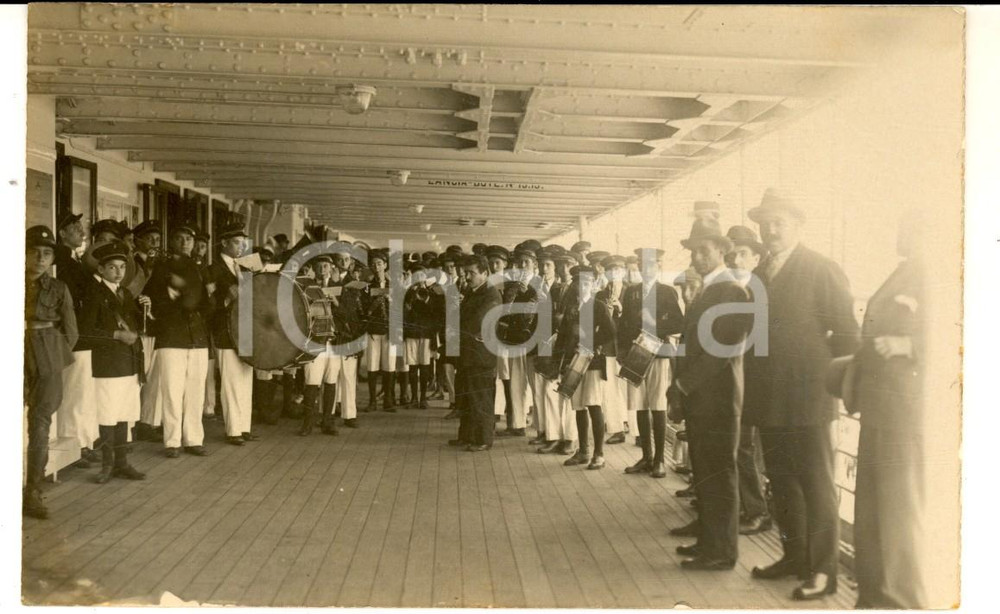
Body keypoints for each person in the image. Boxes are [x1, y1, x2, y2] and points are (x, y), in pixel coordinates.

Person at [743, 189, 860, 601]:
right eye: (766, 222)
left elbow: (848, 335)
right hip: (769, 397)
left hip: (809, 398)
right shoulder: (759, 274)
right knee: (782, 480)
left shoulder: (821, 268)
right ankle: (794, 556)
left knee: (817, 484)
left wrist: (830, 386)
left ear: (798, 225)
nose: (770, 230)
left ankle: (824, 570)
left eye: (779, 222)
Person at [851, 212, 929, 608]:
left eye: (909, 223)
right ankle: (873, 598)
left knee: (898, 515)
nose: (901, 229)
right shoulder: (903, 273)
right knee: (871, 512)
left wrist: (908, 347)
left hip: (905, 414)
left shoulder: (940, 273)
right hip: (879, 409)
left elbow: (966, 333)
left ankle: (900, 601)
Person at [668, 219, 751, 571]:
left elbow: (725, 349)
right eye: (694, 251)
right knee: (705, 470)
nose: (698, 256)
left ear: (721, 250)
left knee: (718, 471)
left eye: (705, 249)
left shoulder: (732, 290)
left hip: (717, 397)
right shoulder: (705, 289)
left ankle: (722, 551)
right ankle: (708, 540)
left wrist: (685, 384)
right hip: (702, 397)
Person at [79, 240, 148, 484]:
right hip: (107, 365)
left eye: (121, 267)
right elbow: (84, 332)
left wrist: (144, 313)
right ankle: (107, 465)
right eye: (112, 268)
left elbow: (136, 326)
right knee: (108, 415)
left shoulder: (125, 293)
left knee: (124, 413)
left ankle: (122, 463)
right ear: (101, 270)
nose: (118, 272)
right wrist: (116, 335)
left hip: (128, 364)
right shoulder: (93, 293)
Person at [24, 226, 79, 519]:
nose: (40, 258)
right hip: (13, 352)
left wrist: (53, 356)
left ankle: (32, 489)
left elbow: (71, 332)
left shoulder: (58, 289)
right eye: (34, 252)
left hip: (47, 355)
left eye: (47, 253)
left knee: (41, 424)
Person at [145, 223, 212, 458]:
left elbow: (205, 304)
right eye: (180, 238)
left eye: (189, 239)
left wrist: (197, 296)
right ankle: (172, 441)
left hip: (197, 337)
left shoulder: (198, 268)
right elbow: (154, 300)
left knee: (195, 392)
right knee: (172, 390)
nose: (185, 243)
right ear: (171, 241)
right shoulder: (161, 268)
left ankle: (193, 439)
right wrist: (180, 294)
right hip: (172, 336)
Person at [724, 225, 773, 536]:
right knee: (740, 446)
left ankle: (757, 510)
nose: (737, 259)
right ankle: (747, 505)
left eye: (743, 254)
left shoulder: (761, 288)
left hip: (755, 380)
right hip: (736, 378)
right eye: (734, 254)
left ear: (757, 258)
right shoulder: (734, 287)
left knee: (745, 447)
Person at [619, 247, 684, 478]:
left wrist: (652, 330)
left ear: (658, 266)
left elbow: (678, 323)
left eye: (651, 265)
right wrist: (623, 350)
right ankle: (645, 456)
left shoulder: (666, 292)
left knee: (657, 405)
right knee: (639, 405)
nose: (646, 269)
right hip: (636, 355)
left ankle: (659, 460)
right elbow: (624, 323)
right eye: (642, 265)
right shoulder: (631, 292)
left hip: (658, 354)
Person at [555, 264, 616, 470]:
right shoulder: (571, 309)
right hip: (574, 363)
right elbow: (562, 337)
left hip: (592, 363)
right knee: (579, 406)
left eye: (588, 283)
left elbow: (610, 331)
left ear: (593, 285)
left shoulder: (598, 306)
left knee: (593, 404)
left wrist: (590, 341)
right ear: (575, 285)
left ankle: (598, 453)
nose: (583, 287)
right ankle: (583, 451)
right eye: (580, 283)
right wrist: (559, 363)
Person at [53, 213, 101, 468]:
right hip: (75, 335)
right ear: (62, 234)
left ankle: (82, 443)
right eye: (75, 229)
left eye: (81, 228)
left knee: (81, 391)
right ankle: (74, 445)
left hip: (82, 333)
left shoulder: (73, 259)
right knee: (74, 391)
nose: (81, 233)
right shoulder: (62, 260)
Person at [205, 222, 260, 446]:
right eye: (237, 242)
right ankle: (233, 429)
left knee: (246, 380)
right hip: (225, 331)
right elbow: (208, 303)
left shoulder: (245, 268)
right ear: (224, 243)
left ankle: (244, 426)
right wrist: (227, 299)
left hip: (245, 329)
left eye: (243, 243)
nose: (241, 247)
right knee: (230, 381)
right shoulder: (213, 269)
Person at [452, 255, 502, 451]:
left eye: (472, 273)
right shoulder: (473, 292)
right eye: (466, 273)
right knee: (466, 397)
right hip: (468, 353)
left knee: (480, 397)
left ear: (485, 273)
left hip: (481, 355)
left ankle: (483, 439)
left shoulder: (491, 295)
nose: (467, 276)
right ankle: (466, 436)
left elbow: (477, 322)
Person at [495, 245, 538, 439]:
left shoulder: (538, 286)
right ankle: (517, 424)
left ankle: (540, 426)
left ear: (534, 265)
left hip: (530, 340)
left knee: (535, 386)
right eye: (520, 262)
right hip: (513, 339)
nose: (522, 265)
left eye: (526, 262)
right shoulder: (510, 286)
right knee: (515, 383)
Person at [298, 254, 344, 436]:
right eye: (320, 266)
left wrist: (336, 303)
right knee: (312, 382)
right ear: (314, 269)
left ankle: (328, 421)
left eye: (326, 266)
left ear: (332, 269)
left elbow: (347, 314)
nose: (323, 269)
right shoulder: (306, 287)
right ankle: (307, 423)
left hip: (333, 341)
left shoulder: (339, 288)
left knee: (331, 381)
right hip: (315, 340)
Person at [132, 219, 164, 442]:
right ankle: (131, 422)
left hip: (157, 326)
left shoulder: (161, 264)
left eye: (157, 239)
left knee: (155, 377)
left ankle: (148, 421)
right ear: (138, 240)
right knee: (138, 376)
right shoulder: (131, 263)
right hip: (137, 326)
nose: (154, 242)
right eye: (149, 238)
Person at [595, 255, 628, 445]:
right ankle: (616, 428)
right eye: (610, 271)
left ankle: (631, 428)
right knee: (610, 388)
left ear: (623, 272)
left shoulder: (631, 292)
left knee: (626, 389)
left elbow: (632, 320)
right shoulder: (600, 295)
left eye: (617, 271)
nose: (614, 275)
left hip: (623, 346)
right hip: (607, 346)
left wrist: (620, 309)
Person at [362, 249, 398, 412]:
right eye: (373, 264)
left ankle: (388, 400)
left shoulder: (395, 285)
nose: (376, 267)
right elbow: (362, 308)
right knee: (372, 364)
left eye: (379, 263)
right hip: (373, 330)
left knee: (389, 365)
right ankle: (372, 400)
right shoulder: (367, 286)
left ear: (385, 265)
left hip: (390, 329)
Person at [403, 263, 441, 410]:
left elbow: (437, 313)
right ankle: (413, 397)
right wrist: (410, 300)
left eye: (421, 276)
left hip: (426, 334)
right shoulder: (408, 293)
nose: (419, 279)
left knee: (425, 366)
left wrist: (425, 299)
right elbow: (403, 313)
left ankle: (423, 397)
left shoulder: (433, 293)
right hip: (411, 334)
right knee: (412, 366)